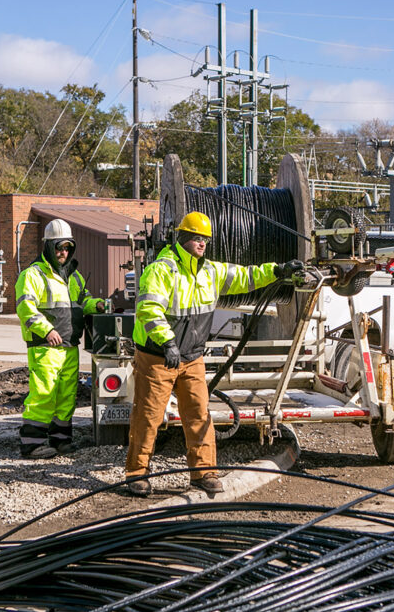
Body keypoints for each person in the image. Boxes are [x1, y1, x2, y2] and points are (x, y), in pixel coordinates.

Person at [125, 211, 304, 496]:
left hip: (191, 357)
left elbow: (245, 276)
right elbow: (148, 310)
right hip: (158, 357)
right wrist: (167, 342)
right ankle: (137, 473)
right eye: (197, 238)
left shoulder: (210, 271)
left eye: (205, 240)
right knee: (149, 417)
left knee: (199, 414)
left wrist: (279, 270)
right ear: (182, 238)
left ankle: (203, 473)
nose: (202, 244)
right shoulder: (162, 269)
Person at [16, 219, 105, 458]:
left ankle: (60, 441)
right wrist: (46, 330)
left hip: (68, 346)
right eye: (58, 247)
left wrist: (96, 304)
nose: (63, 252)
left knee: (66, 397)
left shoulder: (72, 277)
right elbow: (26, 308)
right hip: (46, 347)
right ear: (48, 246)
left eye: (67, 247)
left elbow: (82, 301)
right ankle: (32, 444)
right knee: (44, 394)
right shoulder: (33, 274)